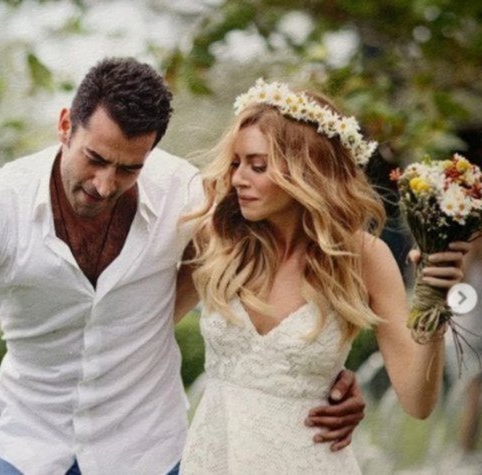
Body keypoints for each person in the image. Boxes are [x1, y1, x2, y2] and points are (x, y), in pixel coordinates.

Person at [0, 59, 365, 475]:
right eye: (94, 158)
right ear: (65, 126)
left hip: (147, 454)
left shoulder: (182, 193)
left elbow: (273, 254)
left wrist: (320, 371)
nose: (104, 184)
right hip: (31, 452)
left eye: (128, 168)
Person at [176, 79, 471, 473]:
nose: (239, 178)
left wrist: (434, 300)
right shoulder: (217, 238)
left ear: (306, 170)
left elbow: (417, 402)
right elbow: (143, 325)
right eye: (236, 163)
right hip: (215, 458)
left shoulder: (363, 257)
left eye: (258, 166)